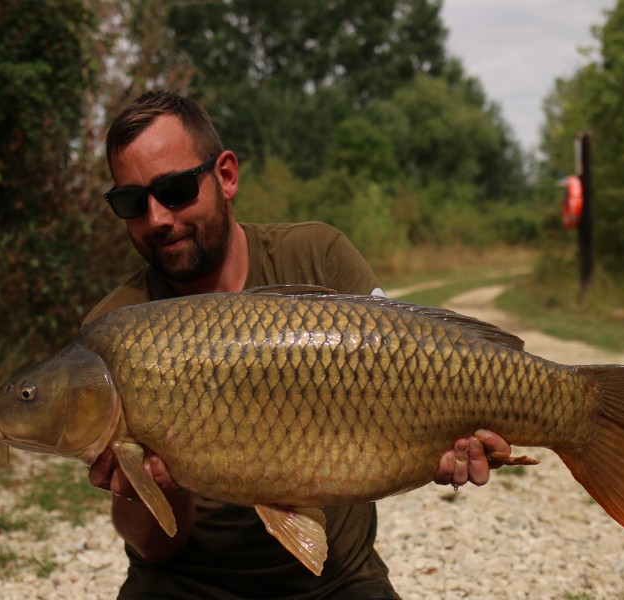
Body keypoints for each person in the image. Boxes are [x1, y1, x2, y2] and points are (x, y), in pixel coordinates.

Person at [85, 90, 512, 599]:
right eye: (132, 202)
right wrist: (157, 490)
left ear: (225, 176)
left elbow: (413, 364)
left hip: (338, 582)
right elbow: (152, 548)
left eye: (175, 190)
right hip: (184, 583)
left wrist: (449, 445)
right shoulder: (115, 329)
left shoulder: (318, 257)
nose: (157, 218)